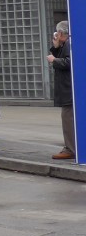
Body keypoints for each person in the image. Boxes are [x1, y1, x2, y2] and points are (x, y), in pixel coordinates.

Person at [48, 22, 75, 161]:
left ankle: (71, 148)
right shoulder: (65, 44)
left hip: (68, 89)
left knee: (68, 119)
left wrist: (54, 60)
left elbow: (70, 62)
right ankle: (71, 147)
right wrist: (56, 46)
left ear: (60, 33)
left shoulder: (69, 43)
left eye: (57, 33)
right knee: (68, 118)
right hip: (67, 88)